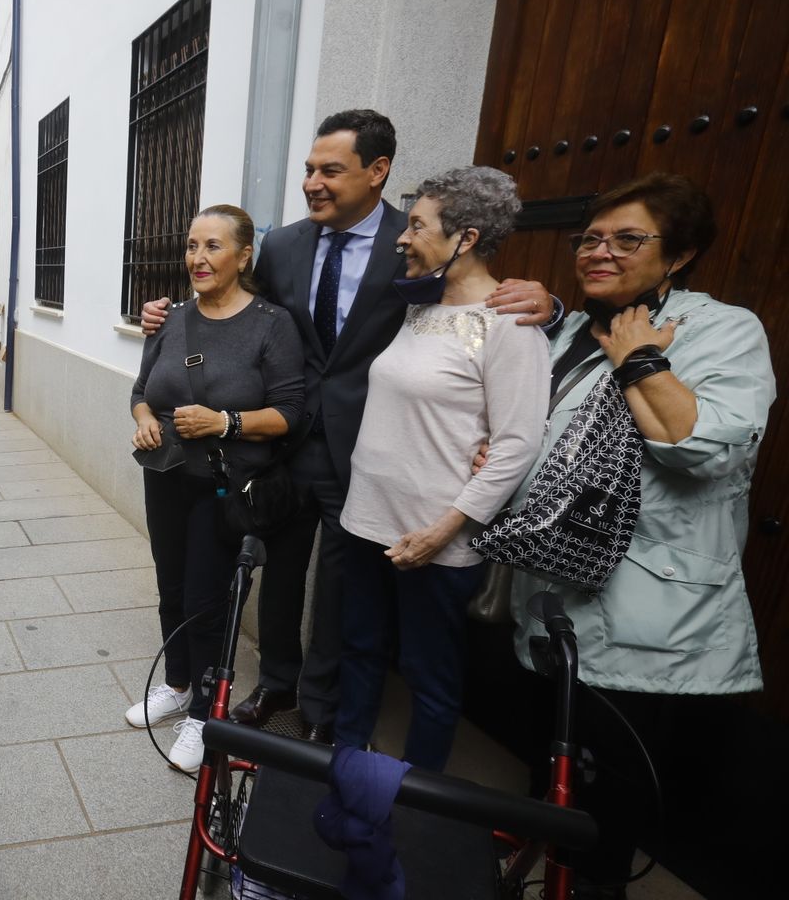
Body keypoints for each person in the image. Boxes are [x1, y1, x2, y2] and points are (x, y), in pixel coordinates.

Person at [140, 110, 557, 742]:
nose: (313, 183)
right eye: (309, 169)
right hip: (283, 442)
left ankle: (322, 705)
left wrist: (548, 306)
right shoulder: (283, 244)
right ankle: (276, 679)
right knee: (278, 571)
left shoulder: (414, 243)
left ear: (377, 171)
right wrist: (167, 315)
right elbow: (239, 309)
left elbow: (475, 313)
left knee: (338, 587)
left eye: (330, 170)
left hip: (367, 449)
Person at [508, 173, 774, 900]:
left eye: (629, 240)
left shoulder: (722, 330)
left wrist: (641, 361)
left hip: (642, 595)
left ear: (680, 255)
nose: (600, 251)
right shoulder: (577, 333)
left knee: (612, 770)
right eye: (591, 237)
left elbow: (704, 447)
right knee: (558, 750)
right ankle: (545, 871)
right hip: (555, 579)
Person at [332, 166, 548, 772]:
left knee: (429, 673)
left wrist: (444, 530)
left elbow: (515, 445)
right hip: (366, 521)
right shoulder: (421, 306)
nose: (403, 236)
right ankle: (345, 763)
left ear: (468, 237)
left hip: (432, 538)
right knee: (360, 649)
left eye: (419, 225)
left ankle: (419, 794)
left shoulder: (508, 326)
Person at [127, 204, 305, 773]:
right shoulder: (171, 318)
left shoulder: (271, 324)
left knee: (208, 601)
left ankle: (207, 713)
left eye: (213, 247)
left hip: (224, 488)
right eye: (191, 246)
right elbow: (141, 389)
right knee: (170, 585)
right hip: (166, 477)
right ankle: (177, 683)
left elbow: (291, 412)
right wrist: (142, 419)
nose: (197, 259)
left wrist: (223, 422)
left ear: (244, 254)